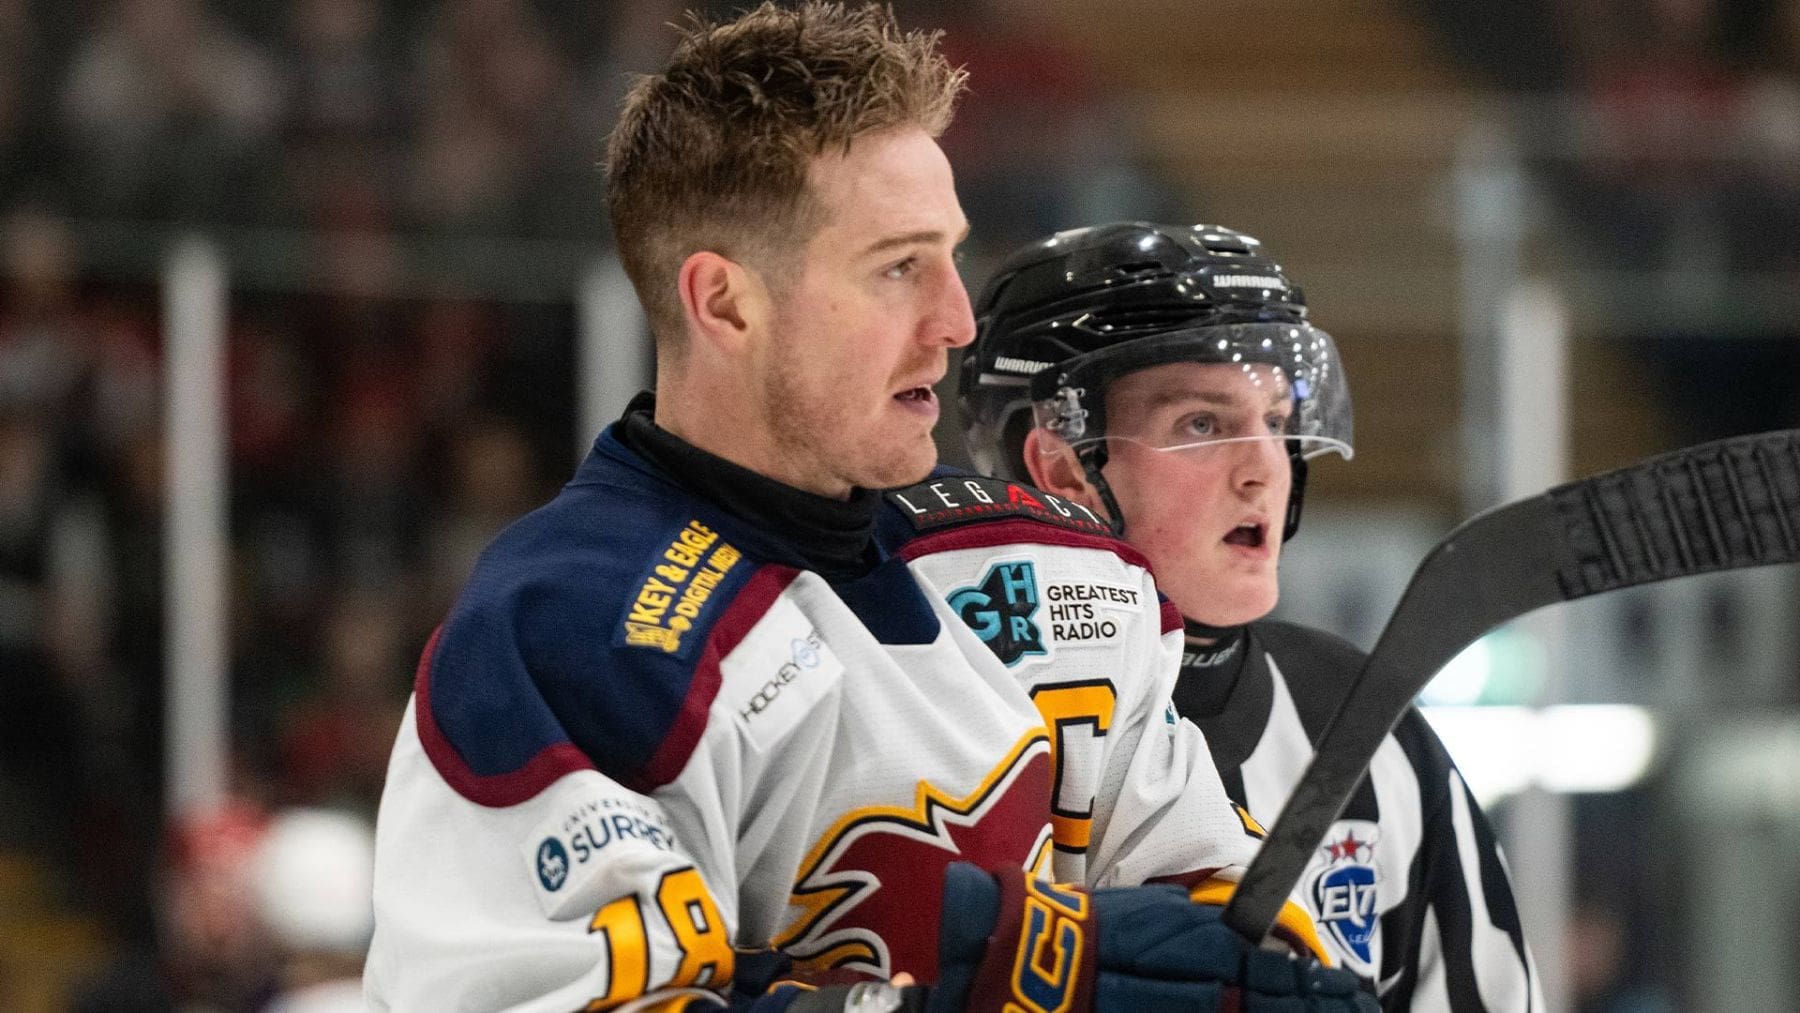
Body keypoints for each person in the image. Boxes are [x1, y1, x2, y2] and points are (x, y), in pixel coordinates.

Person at [366, 6, 1371, 1012]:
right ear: (726, 303)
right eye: (899, 267)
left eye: (952, 255)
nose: (958, 320)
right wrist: (973, 988)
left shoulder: (1055, 579)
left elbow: (1241, 929)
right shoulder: (572, 633)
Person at [960, 221, 1544, 1010]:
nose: (1265, 469)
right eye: (1203, 424)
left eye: (1274, 420)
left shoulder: (1363, 727)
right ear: (1061, 467)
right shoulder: (942, 720)